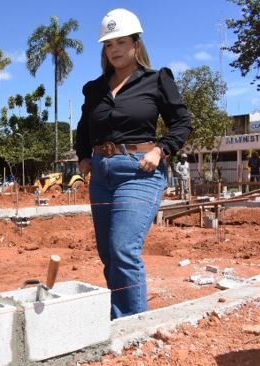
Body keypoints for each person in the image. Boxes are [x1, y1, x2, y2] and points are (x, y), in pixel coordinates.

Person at [74, 8, 192, 319]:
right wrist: (83, 156)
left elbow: (182, 122)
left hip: (140, 172)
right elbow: (83, 128)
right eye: (109, 45)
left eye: (121, 42)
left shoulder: (156, 80)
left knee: (123, 249)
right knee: (108, 255)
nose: (115, 50)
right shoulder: (94, 89)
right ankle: (118, 317)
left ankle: (133, 325)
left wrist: (160, 150)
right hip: (101, 175)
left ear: (136, 44)